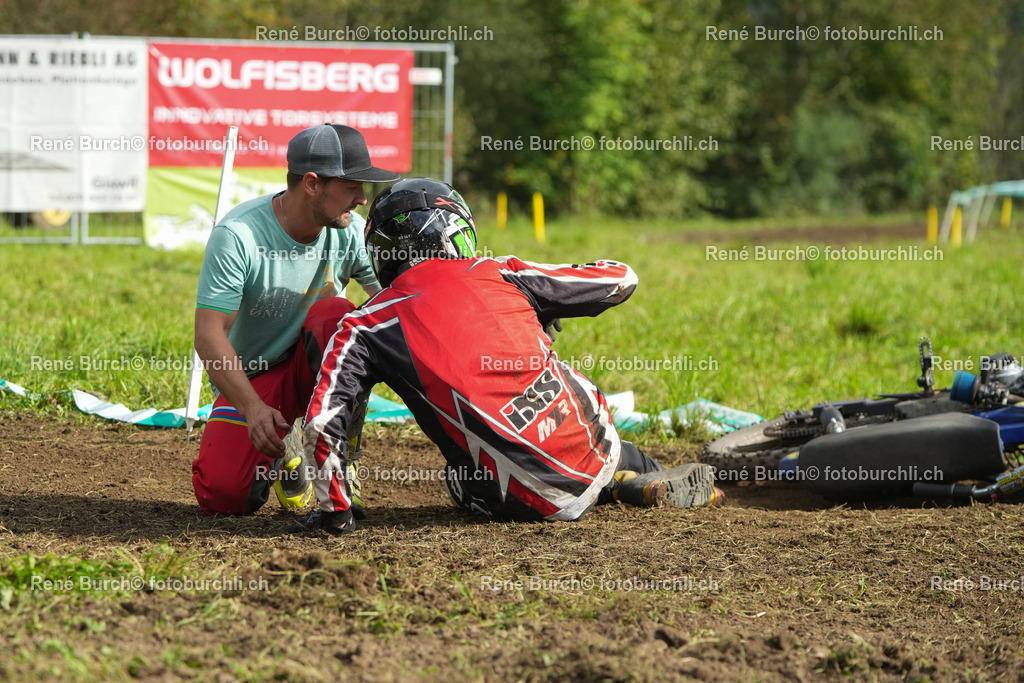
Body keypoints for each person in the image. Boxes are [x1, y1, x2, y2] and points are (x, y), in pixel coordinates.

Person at [293, 178, 723, 535]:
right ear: (454, 230)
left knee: (458, 483)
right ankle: (634, 475)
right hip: (594, 445)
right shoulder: (501, 271)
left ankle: (349, 483)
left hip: (525, 501)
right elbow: (621, 278)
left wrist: (336, 514)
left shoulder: (364, 324)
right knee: (602, 440)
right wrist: (542, 303)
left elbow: (319, 422)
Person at [191, 123, 398, 517]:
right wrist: (252, 408)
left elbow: (397, 300)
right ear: (312, 184)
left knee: (337, 315)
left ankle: (338, 463)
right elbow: (208, 335)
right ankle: (289, 455)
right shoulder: (238, 236)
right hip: (254, 381)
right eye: (352, 186)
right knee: (224, 497)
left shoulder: (351, 231)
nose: (361, 198)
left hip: (318, 370)